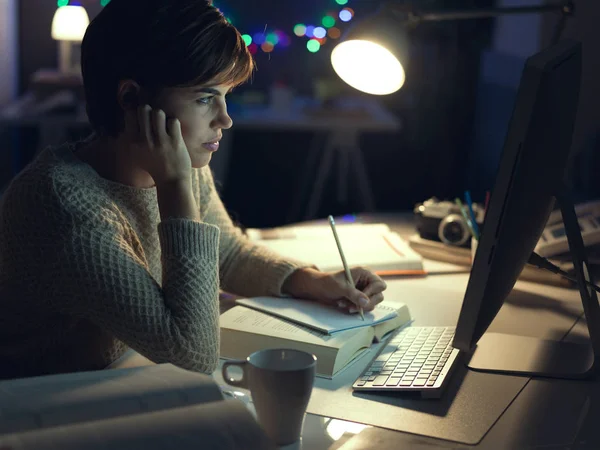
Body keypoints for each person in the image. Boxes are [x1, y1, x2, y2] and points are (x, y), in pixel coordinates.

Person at [0, 0, 387, 380]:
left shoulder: (177, 161)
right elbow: (193, 353)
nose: (225, 119)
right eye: (205, 98)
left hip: (116, 380)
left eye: (225, 96)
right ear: (131, 99)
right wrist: (174, 189)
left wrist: (311, 280)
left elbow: (227, 254)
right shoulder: (66, 207)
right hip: (37, 410)